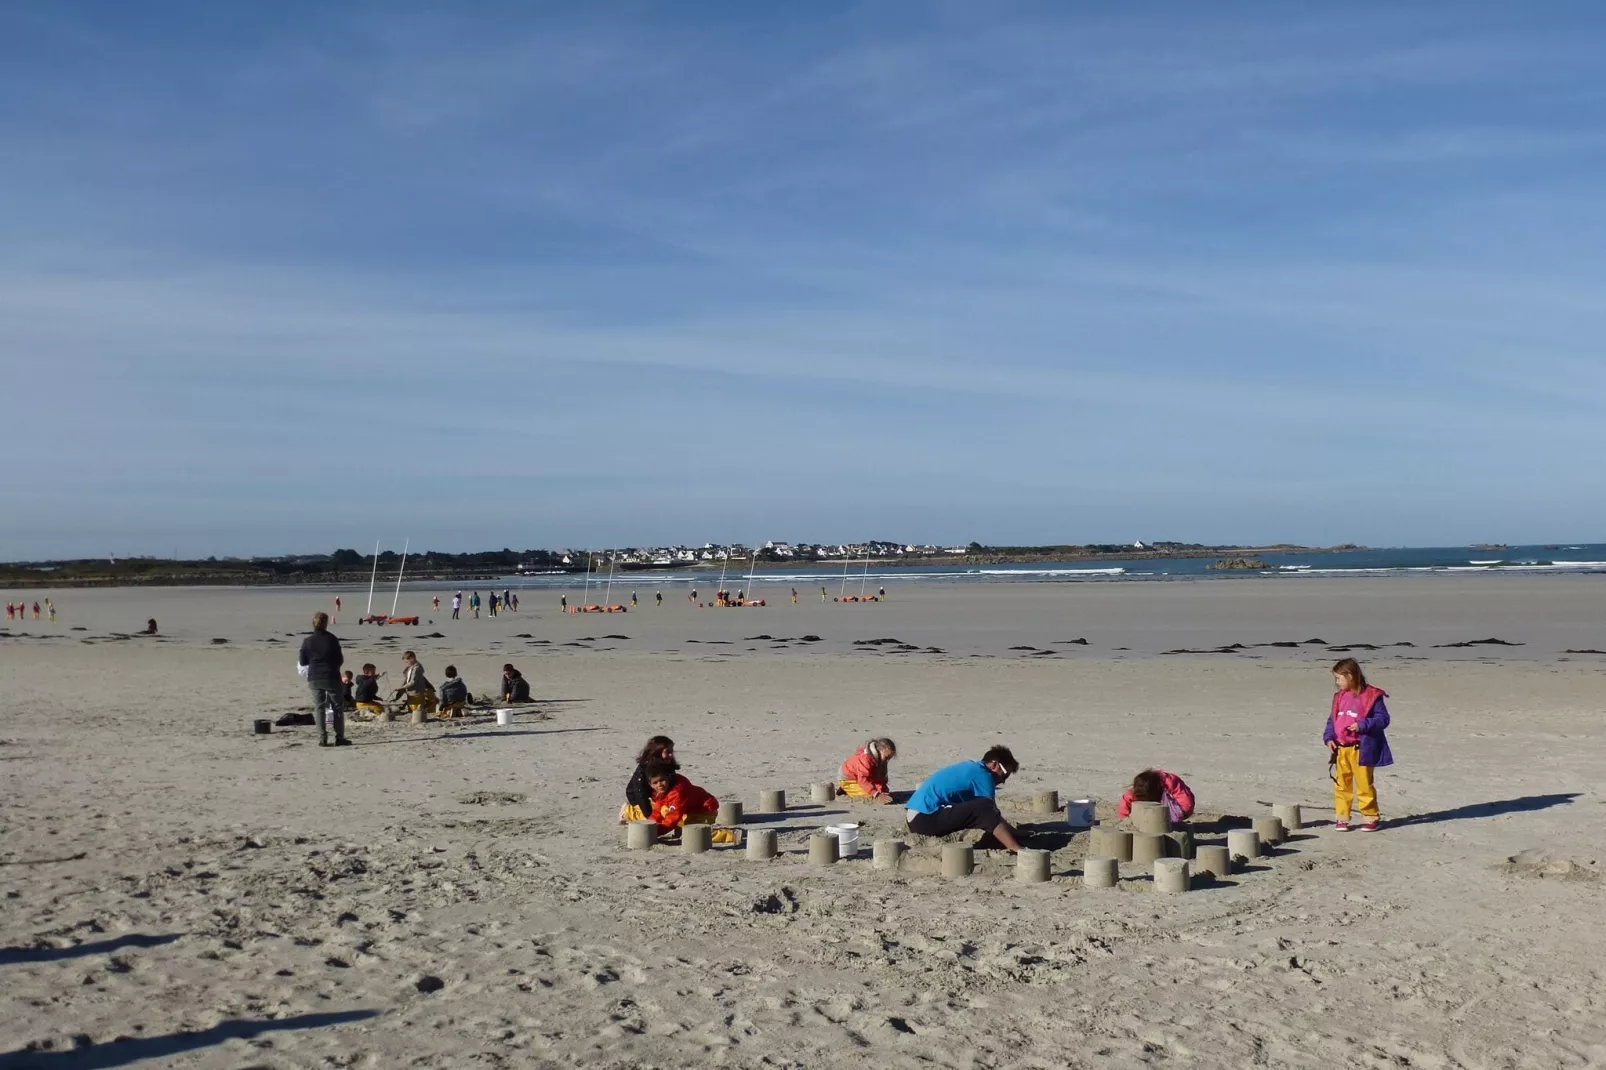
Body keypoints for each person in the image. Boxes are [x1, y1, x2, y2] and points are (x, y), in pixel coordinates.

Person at [904, 745, 1025, 852]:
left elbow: (993, 815)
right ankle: (1015, 848)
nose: (1002, 781)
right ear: (994, 765)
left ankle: (1012, 841)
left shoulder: (972, 767)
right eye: (1004, 774)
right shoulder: (984, 776)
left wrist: (1013, 831)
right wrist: (1013, 835)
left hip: (916, 816)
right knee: (984, 807)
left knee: (982, 808)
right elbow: (990, 811)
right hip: (924, 819)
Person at [1325, 657, 1393, 832]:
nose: (1336, 682)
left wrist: (1362, 725)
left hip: (1361, 748)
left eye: (1339, 678)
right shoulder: (1339, 697)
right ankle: (1342, 818)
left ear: (1350, 676)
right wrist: (1329, 738)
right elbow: (1332, 720)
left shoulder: (1371, 695)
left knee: (1364, 784)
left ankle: (1370, 817)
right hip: (1341, 748)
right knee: (1341, 785)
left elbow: (1383, 719)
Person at [297, 611, 349, 747]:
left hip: (314, 676)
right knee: (337, 706)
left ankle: (322, 738)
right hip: (330, 675)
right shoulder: (332, 639)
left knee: (319, 707)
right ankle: (339, 737)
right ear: (325, 623)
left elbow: (303, 661)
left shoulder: (307, 641)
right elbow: (339, 659)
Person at [643, 760, 720, 841]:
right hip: (687, 811)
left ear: (668, 776)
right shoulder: (661, 791)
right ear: (650, 784)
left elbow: (673, 817)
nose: (659, 785)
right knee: (664, 810)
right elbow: (657, 811)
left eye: (662, 780)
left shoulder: (678, 792)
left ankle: (731, 836)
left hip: (704, 810)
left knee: (696, 833)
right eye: (655, 783)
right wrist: (648, 827)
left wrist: (654, 832)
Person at [620, 736, 676, 822]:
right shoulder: (644, 768)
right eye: (667, 752)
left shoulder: (668, 766)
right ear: (657, 752)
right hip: (640, 798)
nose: (671, 755)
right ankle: (627, 812)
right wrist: (649, 815)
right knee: (655, 819)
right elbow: (640, 792)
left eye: (672, 752)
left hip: (658, 795)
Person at [1117, 769, 1195, 823]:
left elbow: (1186, 801)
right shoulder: (1133, 793)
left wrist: (1180, 814)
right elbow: (1126, 801)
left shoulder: (1170, 783)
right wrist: (1125, 818)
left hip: (1180, 808)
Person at [839, 738, 897, 803]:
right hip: (848, 779)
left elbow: (880, 777)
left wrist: (883, 790)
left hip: (862, 777)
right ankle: (845, 789)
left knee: (880, 791)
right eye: (886, 757)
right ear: (878, 750)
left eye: (889, 758)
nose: (887, 760)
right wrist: (877, 794)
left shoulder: (882, 760)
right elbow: (863, 780)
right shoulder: (865, 759)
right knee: (868, 795)